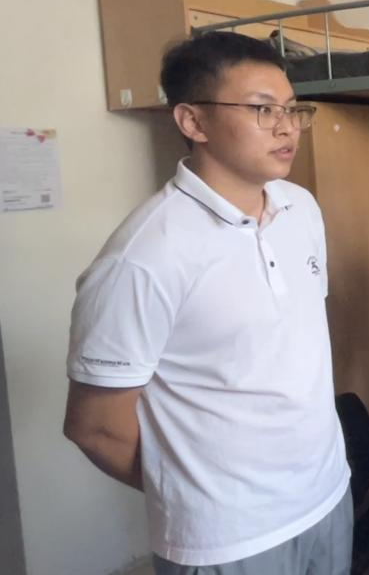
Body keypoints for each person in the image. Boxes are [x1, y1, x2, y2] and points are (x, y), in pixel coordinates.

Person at [63, 32, 351, 574]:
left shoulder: (300, 208)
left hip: (327, 497)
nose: (287, 127)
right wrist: (198, 494)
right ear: (193, 122)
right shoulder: (143, 257)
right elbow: (96, 428)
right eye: (262, 109)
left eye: (292, 109)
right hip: (229, 539)